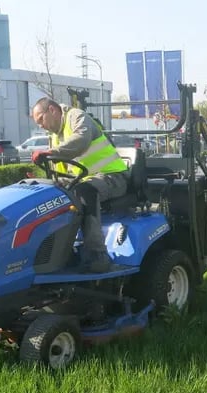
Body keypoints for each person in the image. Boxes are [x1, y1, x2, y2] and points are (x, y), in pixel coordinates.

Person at [30, 97, 131, 273]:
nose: (40, 125)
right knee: (48, 192)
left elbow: (81, 139)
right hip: (85, 179)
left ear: (52, 110)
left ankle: (97, 255)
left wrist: (51, 152)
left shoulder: (77, 117)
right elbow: (63, 170)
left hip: (113, 176)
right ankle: (57, 252)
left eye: (41, 119)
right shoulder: (54, 135)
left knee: (84, 192)